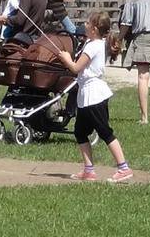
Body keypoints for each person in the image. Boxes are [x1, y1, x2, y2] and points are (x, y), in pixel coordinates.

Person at [57, 12, 134, 183]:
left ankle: (123, 168)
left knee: (105, 131)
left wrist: (66, 59)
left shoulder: (93, 46)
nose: (84, 24)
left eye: (87, 22)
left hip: (94, 95)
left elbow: (76, 68)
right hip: (87, 95)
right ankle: (89, 170)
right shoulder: (93, 43)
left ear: (94, 29)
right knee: (80, 132)